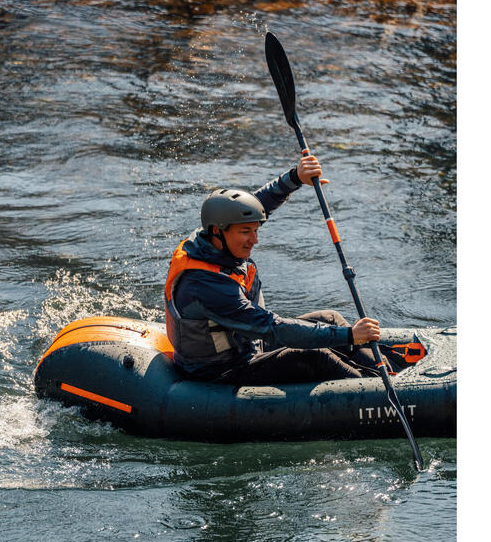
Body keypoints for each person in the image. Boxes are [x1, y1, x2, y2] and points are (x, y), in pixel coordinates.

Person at [164, 154, 383, 384]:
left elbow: (257, 205)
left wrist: (295, 178)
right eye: (246, 232)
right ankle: (375, 392)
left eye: (255, 230)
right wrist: (348, 335)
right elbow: (273, 327)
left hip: (247, 344)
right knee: (315, 357)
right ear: (218, 231)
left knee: (331, 319)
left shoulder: (212, 238)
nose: (254, 239)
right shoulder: (204, 285)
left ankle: (387, 375)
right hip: (222, 371)